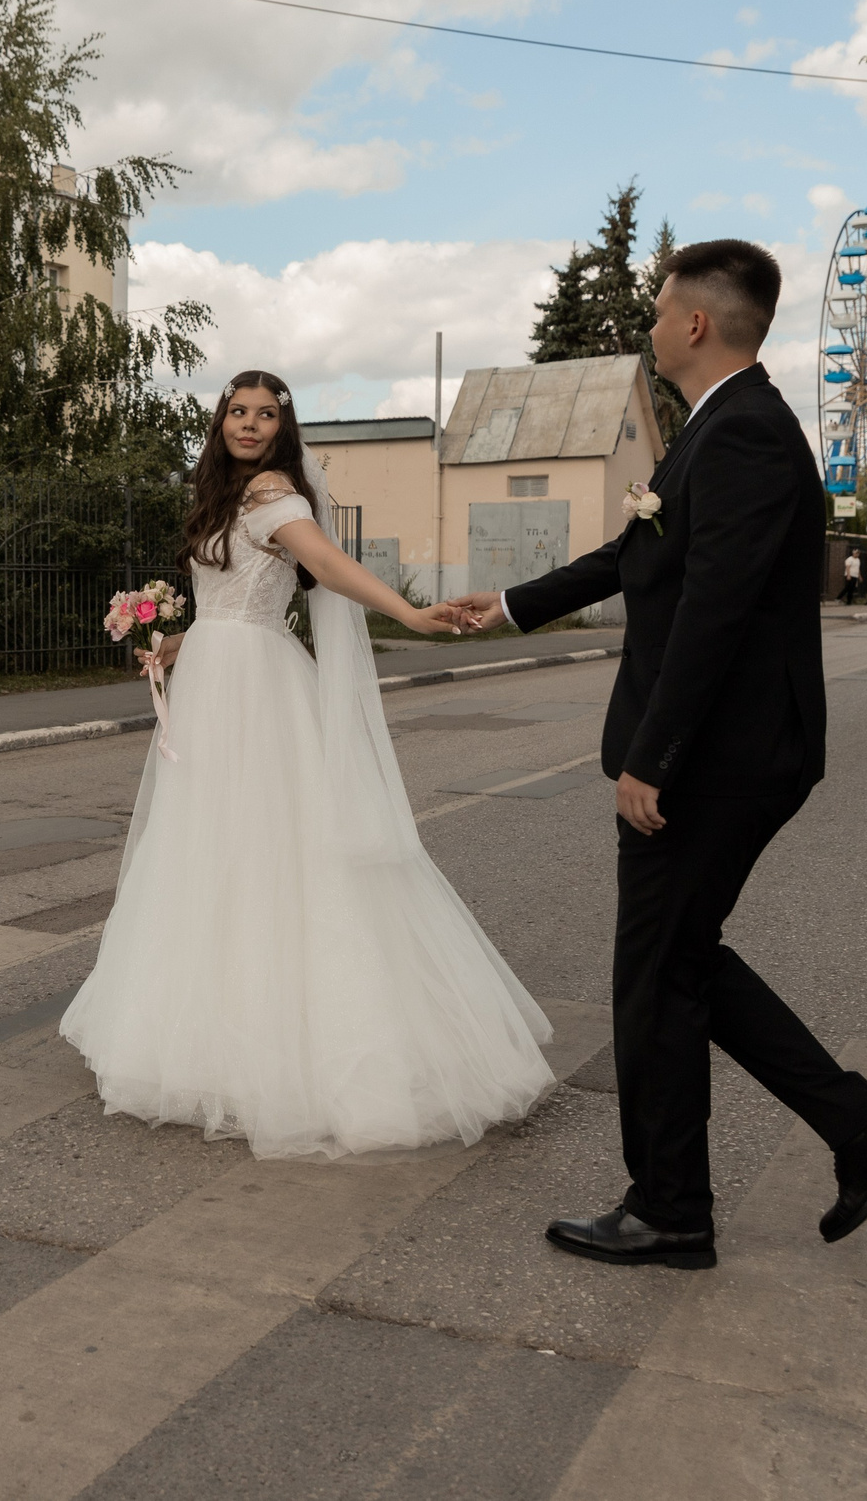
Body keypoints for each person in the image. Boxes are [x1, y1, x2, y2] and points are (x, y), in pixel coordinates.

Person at [446, 240, 867, 1270]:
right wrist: (506, 605)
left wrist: (653, 757)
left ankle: (673, 1209)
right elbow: (640, 558)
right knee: (682, 964)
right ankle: (860, 1130)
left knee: (655, 981)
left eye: (660, 311)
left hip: (716, 758)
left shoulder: (744, 434)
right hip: (726, 751)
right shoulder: (715, 430)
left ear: (696, 324)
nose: (652, 326)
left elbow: (714, 613)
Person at [60, 370, 554, 1159]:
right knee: (210, 852)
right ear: (220, 420)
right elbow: (231, 605)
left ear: (282, 429)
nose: (249, 424)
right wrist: (175, 640)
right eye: (237, 411)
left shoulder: (272, 495)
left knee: (269, 853)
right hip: (216, 682)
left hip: (257, 694)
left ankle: (284, 1048)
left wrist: (409, 612)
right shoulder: (226, 498)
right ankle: (209, 1035)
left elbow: (325, 567)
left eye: (264, 414)